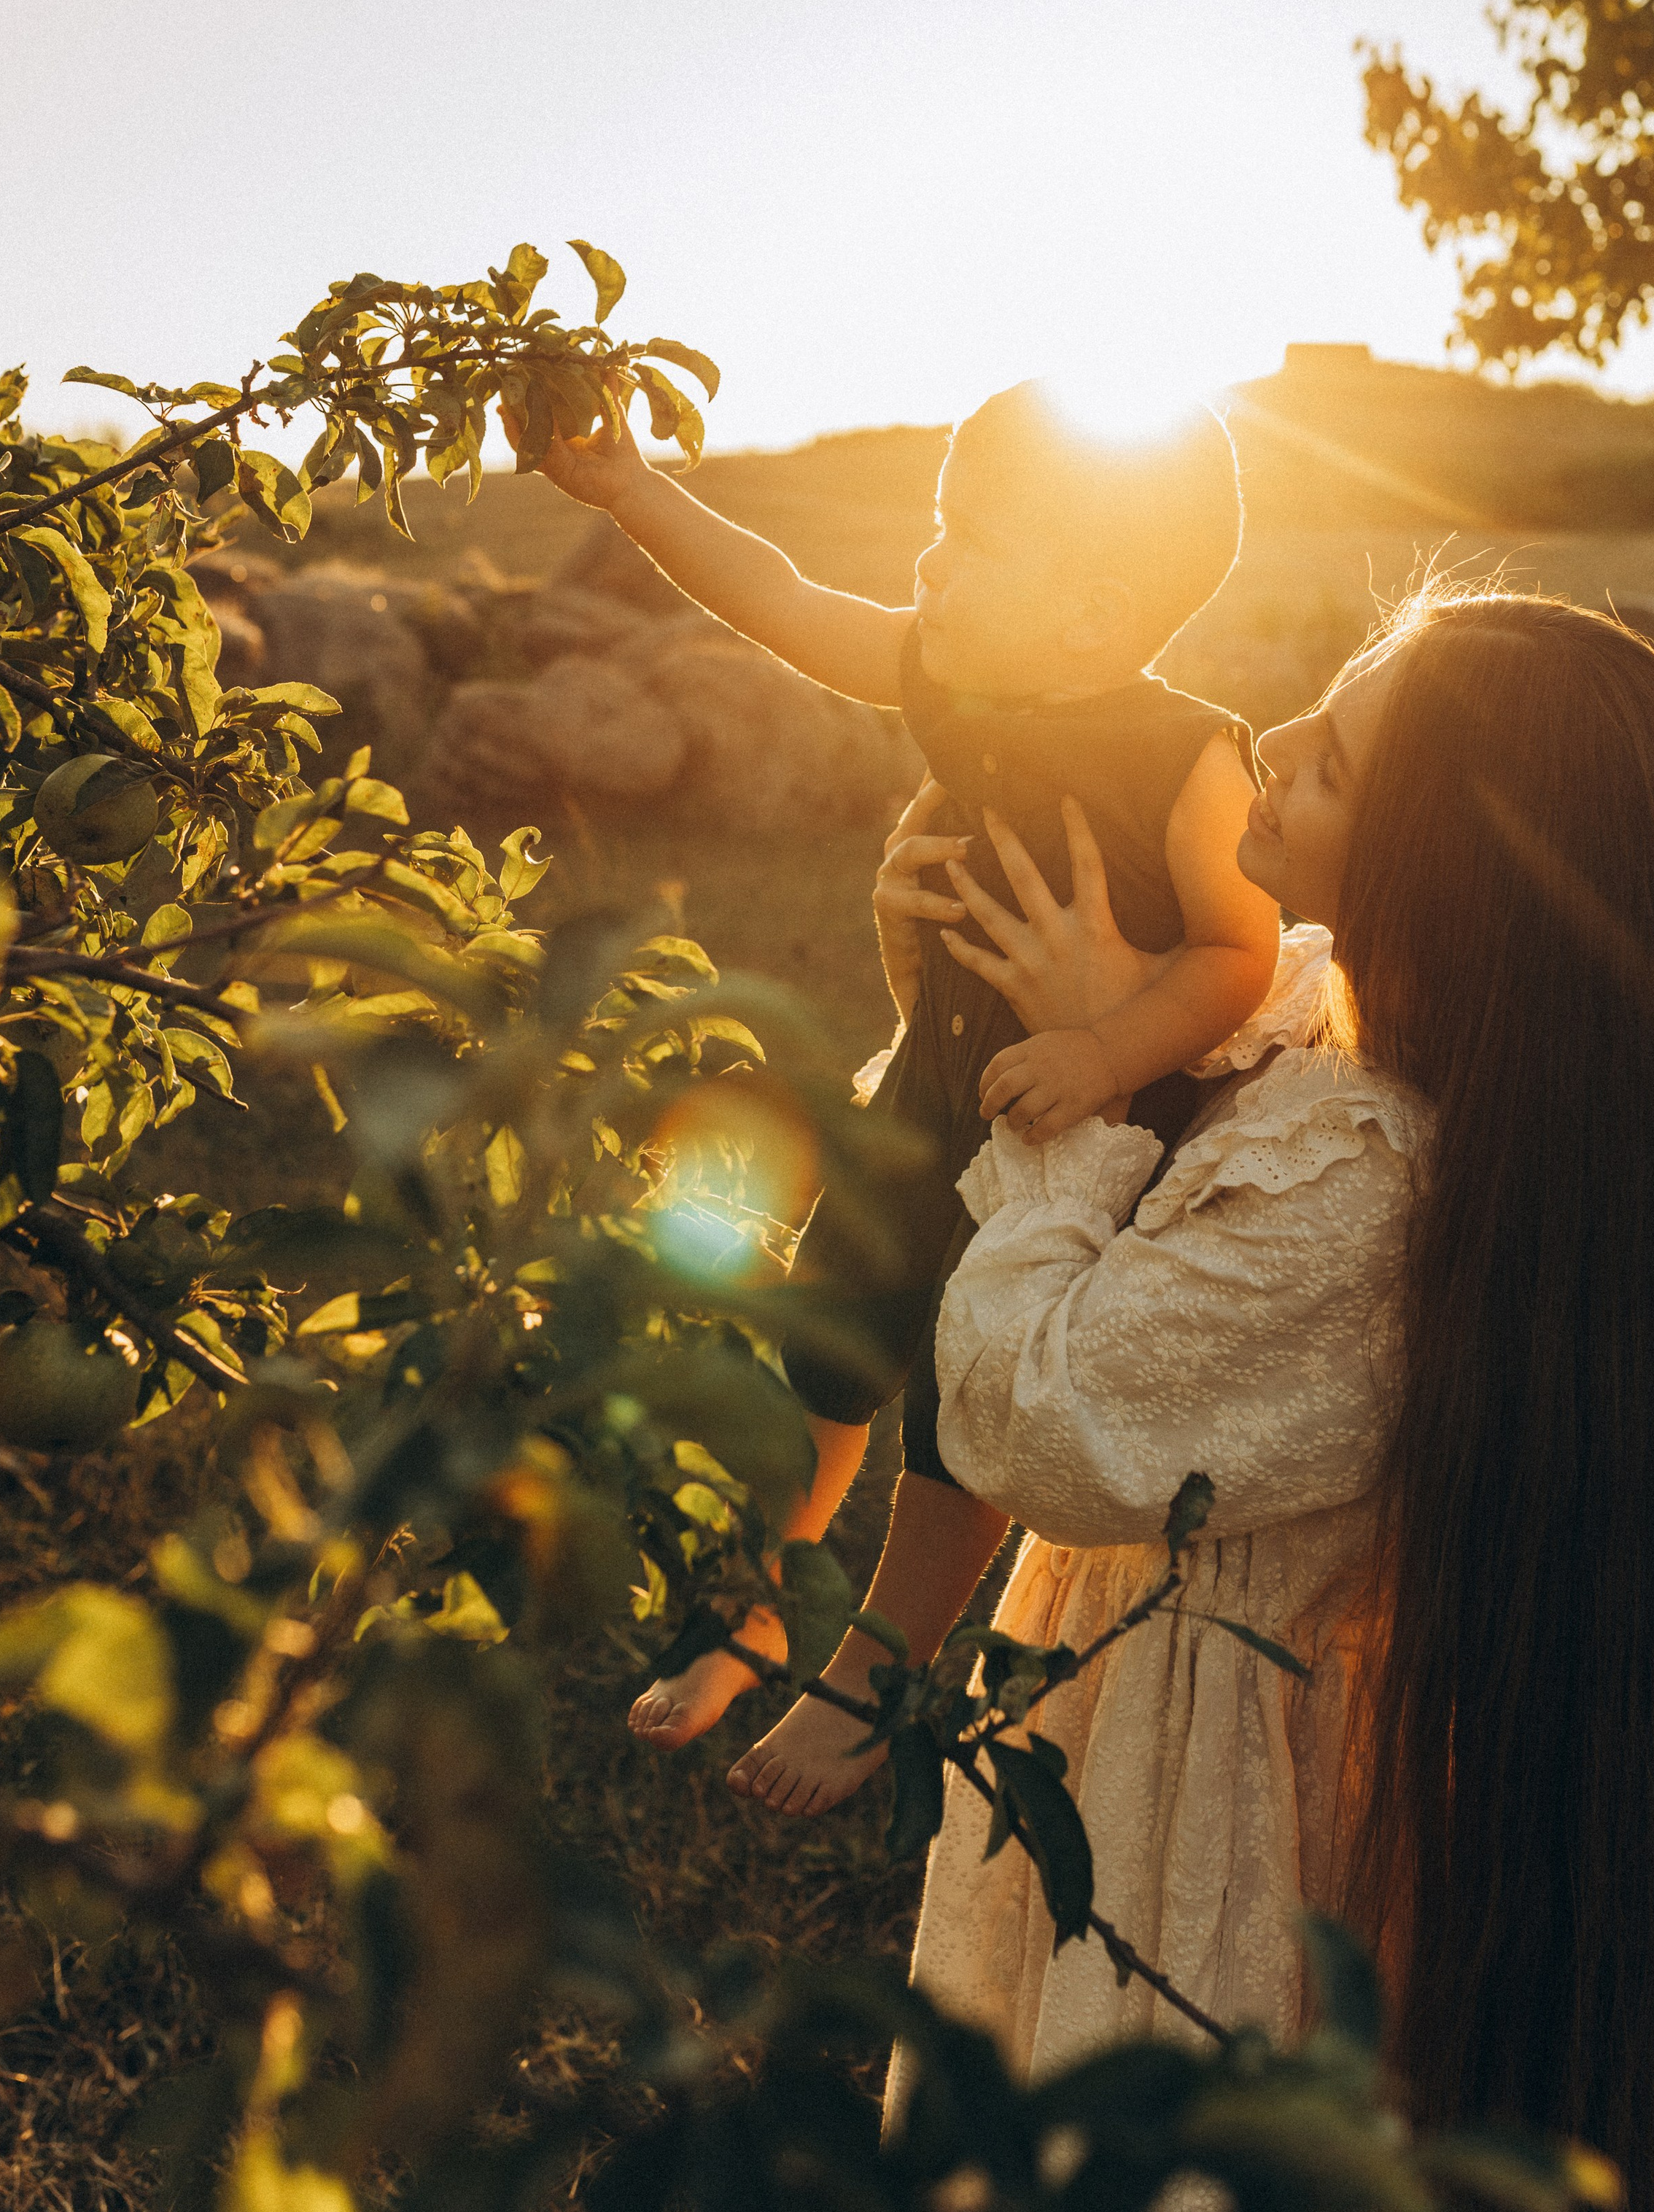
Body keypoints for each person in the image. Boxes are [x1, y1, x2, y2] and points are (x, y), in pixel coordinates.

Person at [896, 589, 1654, 2212]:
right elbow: (1222, 1006)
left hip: (1200, 1825)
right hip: (1191, 1737)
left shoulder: (1367, 1188)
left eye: (1333, 761)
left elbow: (1037, 1412)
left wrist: (1065, 1099)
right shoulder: (1338, 1028)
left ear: (1450, 871)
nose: (1275, 746)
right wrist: (1053, 980)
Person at [521, 381, 1280, 1810]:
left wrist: (1105, 1051)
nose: (930, 565)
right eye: (939, 526)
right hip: (930, 1094)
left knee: (961, 1403)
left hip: (1075, 1139)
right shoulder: (946, 676)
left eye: (972, 536)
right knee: (827, 1345)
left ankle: (874, 1668)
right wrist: (631, 493)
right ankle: (749, 1606)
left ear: (1089, 613)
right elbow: (783, 596)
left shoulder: (1192, 759)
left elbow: (1236, 952)